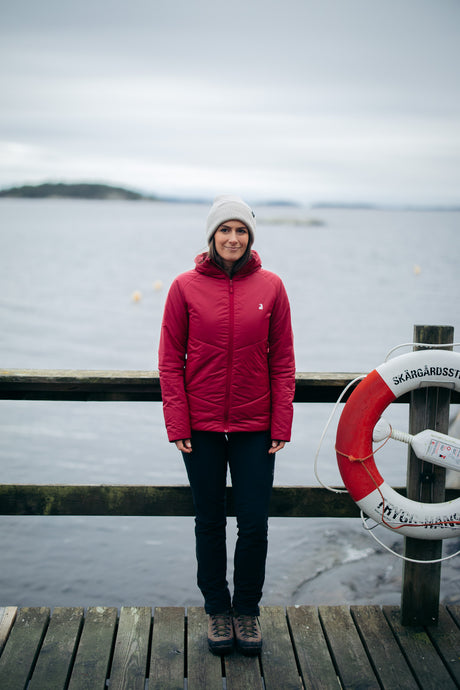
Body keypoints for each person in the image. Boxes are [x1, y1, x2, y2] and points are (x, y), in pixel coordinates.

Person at [158, 195, 295, 656]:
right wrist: (178, 422)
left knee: (254, 524)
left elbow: (284, 362)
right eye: (225, 230)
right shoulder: (184, 287)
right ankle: (218, 610)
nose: (233, 238)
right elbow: (169, 361)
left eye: (241, 231)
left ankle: (247, 612)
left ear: (250, 237)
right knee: (209, 522)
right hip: (200, 428)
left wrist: (281, 422)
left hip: (256, 427)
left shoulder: (272, 287)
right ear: (212, 235)